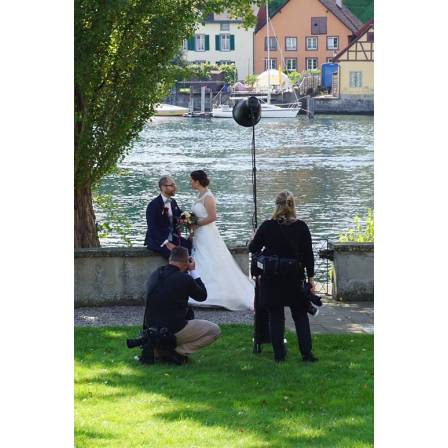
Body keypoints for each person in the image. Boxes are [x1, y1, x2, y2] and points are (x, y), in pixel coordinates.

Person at [248, 190, 318, 363]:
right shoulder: (301, 227)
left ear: (276, 205)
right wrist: (311, 279)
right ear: (293, 205)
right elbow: (308, 255)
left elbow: (253, 248)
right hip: (294, 278)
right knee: (300, 315)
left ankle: (279, 355)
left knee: (276, 316)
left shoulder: (267, 226)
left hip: (272, 277)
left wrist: (254, 237)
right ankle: (307, 354)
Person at [189, 170, 254, 311]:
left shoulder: (208, 197)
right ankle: (198, 291)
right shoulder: (199, 195)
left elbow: (213, 217)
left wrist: (197, 223)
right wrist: (190, 223)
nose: (190, 183)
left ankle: (216, 294)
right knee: (200, 258)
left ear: (197, 181)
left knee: (210, 258)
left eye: (192, 180)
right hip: (199, 234)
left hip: (207, 233)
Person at [144, 246, 221, 364]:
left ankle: (160, 350)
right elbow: (202, 296)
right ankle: (176, 352)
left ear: (170, 259)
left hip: (151, 330)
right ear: (186, 263)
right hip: (172, 330)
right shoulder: (184, 278)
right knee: (214, 330)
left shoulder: (155, 274)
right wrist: (193, 271)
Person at [144, 175, 192, 259]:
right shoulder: (154, 205)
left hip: (172, 237)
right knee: (176, 255)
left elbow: (179, 215)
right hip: (158, 240)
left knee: (190, 247)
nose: (175, 187)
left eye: (175, 185)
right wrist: (166, 242)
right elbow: (152, 228)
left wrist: (190, 220)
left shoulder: (173, 202)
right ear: (163, 187)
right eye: (172, 185)